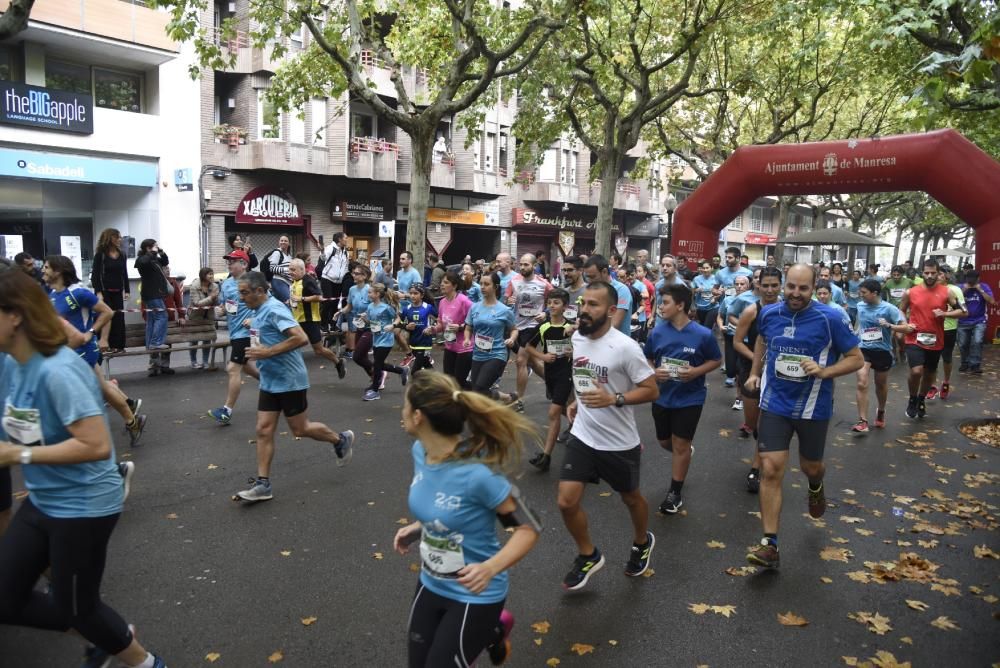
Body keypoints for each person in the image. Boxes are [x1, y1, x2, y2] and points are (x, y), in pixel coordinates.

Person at [0, 269, 167, 668]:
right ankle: (103, 634)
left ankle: (144, 661)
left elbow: (95, 444)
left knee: (77, 608)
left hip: (86, 504)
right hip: (45, 498)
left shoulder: (58, 370)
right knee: (6, 598)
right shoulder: (10, 364)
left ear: (15, 316)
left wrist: (16, 456)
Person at [393, 371, 540, 668]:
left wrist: (490, 567)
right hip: (431, 582)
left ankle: (490, 625)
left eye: (405, 406)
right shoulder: (420, 452)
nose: (402, 413)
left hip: (476, 594)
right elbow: (443, 503)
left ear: (419, 416)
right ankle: (494, 630)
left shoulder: (479, 475)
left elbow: (527, 528)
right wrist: (419, 527)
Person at [743, 264, 863, 570]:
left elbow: (855, 358)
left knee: (811, 467)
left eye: (803, 288)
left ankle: (816, 485)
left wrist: (825, 371)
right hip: (774, 404)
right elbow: (761, 341)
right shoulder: (769, 313)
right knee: (771, 469)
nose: (796, 294)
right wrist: (755, 373)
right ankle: (770, 544)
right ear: (784, 286)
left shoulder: (831, 318)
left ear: (814, 288)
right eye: (791, 287)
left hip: (813, 408)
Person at [558, 281, 658, 590]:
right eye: (583, 303)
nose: (584, 310)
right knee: (566, 501)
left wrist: (614, 399)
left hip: (618, 441)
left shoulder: (626, 347)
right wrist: (577, 399)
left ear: (611, 310)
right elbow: (586, 375)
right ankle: (588, 554)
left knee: (631, 498)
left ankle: (642, 541)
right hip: (584, 434)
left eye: (593, 305)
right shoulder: (577, 337)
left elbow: (651, 389)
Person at [234, 271, 355, 501]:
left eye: (244, 293)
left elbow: (300, 338)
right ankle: (263, 485)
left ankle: (340, 440)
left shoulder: (275, 309)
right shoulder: (258, 311)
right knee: (263, 429)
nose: (241, 298)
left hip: (290, 380)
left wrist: (266, 352)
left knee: (300, 429)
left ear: (259, 291)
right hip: (270, 380)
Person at [42, 255, 147, 448]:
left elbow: (107, 311)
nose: (43, 270)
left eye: (47, 267)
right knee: (102, 386)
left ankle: (128, 421)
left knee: (95, 390)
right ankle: (131, 413)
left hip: (83, 350)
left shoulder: (78, 292)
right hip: (67, 352)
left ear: (58, 271)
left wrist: (92, 333)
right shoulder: (51, 293)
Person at [644, 283, 721, 514]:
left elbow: (716, 360)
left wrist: (696, 372)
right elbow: (647, 358)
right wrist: (654, 372)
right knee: (664, 442)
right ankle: (685, 452)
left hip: (690, 398)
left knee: (680, 445)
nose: (661, 307)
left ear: (681, 305)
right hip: (662, 397)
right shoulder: (657, 332)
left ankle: (674, 493)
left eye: (665, 303)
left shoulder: (703, 334)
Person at [732, 267, 783, 492]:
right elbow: (737, 342)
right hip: (750, 370)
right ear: (758, 285)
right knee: (753, 423)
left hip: (778, 374)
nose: (770, 290)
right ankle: (761, 445)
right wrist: (757, 361)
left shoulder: (787, 310)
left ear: (781, 285)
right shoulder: (752, 311)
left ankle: (757, 466)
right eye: (766, 285)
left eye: (775, 285)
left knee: (765, 424)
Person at [898, 259, 965, 419]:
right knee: (916, 371)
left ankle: (921, 399)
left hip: (935, 339)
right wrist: (904, 324)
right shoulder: (911, 292)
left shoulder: (947, 292)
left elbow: (963, 312)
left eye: (933, 273)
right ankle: (912, 398)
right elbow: (901, 310)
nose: (929, 276)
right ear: (922, 272)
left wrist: (945, 313)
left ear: (938, 273)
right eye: (926, 273)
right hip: (914, 337)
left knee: (929, 373)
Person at [207, 250, 261, 425]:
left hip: (247, 333)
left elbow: (269, 304)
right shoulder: (227, 284)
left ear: (244, 264)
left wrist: (255, 319)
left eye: (233, 261)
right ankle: (276, 385)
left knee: (233, 369)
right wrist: (221, 310)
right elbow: (226, 305)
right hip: (235, 331)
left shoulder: (254, 282)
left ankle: (227, 411)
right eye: (228, 261)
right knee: (247, 368)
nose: (229, 264)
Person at [526, 288, 575, 472]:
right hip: (551, 374)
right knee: (562, 409)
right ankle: (582, 427)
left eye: (556, 303)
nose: (552, 306)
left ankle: (546, 456)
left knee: (554, 412)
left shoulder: (570, 328)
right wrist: (542, 357)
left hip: (567, 374)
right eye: (550, 303)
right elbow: (528, 346)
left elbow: (585, 349)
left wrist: (574, 352)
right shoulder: (544, 327)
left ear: (565, 307)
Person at [853, 279, 908, 433]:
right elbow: (859, 325)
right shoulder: (859, 305)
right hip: (864, 349)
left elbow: (906, 328)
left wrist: (889, 326)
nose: (860, 295)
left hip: (882, 351)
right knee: (862, 382)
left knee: (880, 385)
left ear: (875, 293)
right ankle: (862, 421)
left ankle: (881, 410)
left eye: (864, 293)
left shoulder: (889, 309)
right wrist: (854, 335)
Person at [504, 254, 551, 412]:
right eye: (521, 264)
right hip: (517, 326)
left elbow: (557, 300)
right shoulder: (514, 281)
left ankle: (519, 400)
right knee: (532, 362)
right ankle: (552, 384)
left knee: (521, 361)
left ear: (534, 265)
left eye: (526, 265)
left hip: (534, 326)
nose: (522, 267)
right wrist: (508, 300)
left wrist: (546, 312)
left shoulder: (543, 284)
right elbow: (506, 299)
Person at [464, 272, 518, 403]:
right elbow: (468, 327)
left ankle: (487, 418)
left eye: (486, 284)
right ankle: (506, 397)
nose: (482, 287)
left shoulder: (504, 310)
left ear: (495, 287)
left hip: (497, 354)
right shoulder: (474, 307)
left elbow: (514, 329)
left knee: (480, 387)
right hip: (478, 354)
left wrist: (511, 339)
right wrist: (467, 339)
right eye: (481, 283)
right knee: (477, 391)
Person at [288, 259, 347, 379]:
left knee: (319, 350)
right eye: (289, 269)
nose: (290, 272)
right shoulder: (294, 281)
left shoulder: (308, 281)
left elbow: (319, 297)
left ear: (301, 269)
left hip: (310, 321)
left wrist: (301, 299)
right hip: (297, 320)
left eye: (293, 269)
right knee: (291, 346)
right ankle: (292, 373)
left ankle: (338, 362)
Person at [925, 265, 966, 401]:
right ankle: (932, 385)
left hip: (948, 329)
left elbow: (964, 312)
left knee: (946, 358)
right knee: (930, 360)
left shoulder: (954, 290)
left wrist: (945, 314)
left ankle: (946, 382)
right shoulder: (927, 289)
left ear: (947, 276)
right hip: (930, 330)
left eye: (940, 274)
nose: (937, 277)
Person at [362, 282, 409, 401]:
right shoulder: (370, 306)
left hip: (386, 340)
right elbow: (370, 322)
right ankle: (401, 370)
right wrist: (364, 319)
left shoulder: (386, 308)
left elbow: (398, 318)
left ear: (377, 294)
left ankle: (375, 390)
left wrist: (392, 326)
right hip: (376, 339)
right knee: (380, 364)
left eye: (370, 292)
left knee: (377, 364)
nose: (368, 294)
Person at [91, 229, 131, 353]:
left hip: (117, 290)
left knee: (119, 316)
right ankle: (104, 344)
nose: (120, 239)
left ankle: (118, 346)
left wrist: (127, 290)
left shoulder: (122, 254)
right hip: (104, 291)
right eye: (117, 237)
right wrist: (98, 292)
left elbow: (124, 273)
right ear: (110, 238)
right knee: (107, 316)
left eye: (120, 237)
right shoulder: (100, 255)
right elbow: (95, 276)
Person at [433, 271, 473, 389]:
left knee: (458, 383)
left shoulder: (464, 301)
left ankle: (483, 393)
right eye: (441, 282)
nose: (442, 285)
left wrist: (460, 327)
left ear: (454, 286)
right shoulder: (442, 302)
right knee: (449, 382)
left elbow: (476, 322)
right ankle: (480, 393)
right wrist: (433, 329)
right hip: (450, 346)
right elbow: (441, 323)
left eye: (446, 282)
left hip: (464, 348)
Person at [145, 265, 185, 376]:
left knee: (167, 343)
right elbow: (145, 302)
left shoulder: (172, 283)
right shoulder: (151, 283)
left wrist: (181, 316)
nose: (168, 270)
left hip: (170, 319)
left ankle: (165, 366)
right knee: (155, 343)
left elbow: (178, 301)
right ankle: (154, 366)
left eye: (168, 268)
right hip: (155, 320)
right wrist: (147, 318)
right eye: (164, 268)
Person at [134, 239, 169, 361]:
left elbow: (165, 262)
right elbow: (142, 263)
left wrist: (161, 252)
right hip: (152, 293)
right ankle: (156, 343)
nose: (156, 248)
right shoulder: (142, 259)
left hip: (156, 292)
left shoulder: (155, 259)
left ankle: (150, 344)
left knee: (152, 318)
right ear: (148, 248)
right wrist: (150, 253)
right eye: (154, 246)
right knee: (162, 316)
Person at [582, 255, 632, 337]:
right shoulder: (592, 290)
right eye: (588, 277)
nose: (590, 281)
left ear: (604, 272)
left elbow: (614, 324)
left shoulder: (621, 290)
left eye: (593, 277)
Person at [957, 270, 994, 375]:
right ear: (966, 278)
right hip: (963, 321)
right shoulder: (960, 287)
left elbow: (991, 301)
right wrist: (965, 289)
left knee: (977, 342)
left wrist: (980, 290)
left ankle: (975, 365)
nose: (971, 281)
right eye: (969, 279)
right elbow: (954, 301)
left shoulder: (984, 286)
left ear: (978, 278)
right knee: (963, 344)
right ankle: (965, 362)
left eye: (974, 279)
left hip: (979, 320)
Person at [718, 275, 750, 391]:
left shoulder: (752, 301)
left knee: (740, 368)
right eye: (737, 284)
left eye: (742, 284)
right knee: (730, 369)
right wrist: (721, 326)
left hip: (746, 339)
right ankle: (733, 377)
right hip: (730, 336)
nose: (739, 287)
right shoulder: (728, 300)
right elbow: (720, 316)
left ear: (748, 286)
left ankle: (739, 396)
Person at [187, 267, 220, 369]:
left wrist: (215, 298)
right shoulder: (194, 287)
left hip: (209, 317)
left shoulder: (215, 286)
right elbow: (197, 303)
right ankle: (193, 361)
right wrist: (211, 297)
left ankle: (205, 362)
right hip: (195, 317)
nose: (211, 276)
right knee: (194, 340)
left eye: (212, 274)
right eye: (209, 274)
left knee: (207, 340)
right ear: (203, 275)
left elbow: (216, 302)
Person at [401, 283, 437, 375]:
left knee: (415, 372)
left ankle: (414, 388)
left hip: (425, 342)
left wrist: (432, 328)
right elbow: (400, 324)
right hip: (413, 343)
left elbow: (439, 319)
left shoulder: (428, 307)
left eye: (415, 293)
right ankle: (441, 384)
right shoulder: (406, 309)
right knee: (428, 366)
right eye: (411, 293)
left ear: (422, 295)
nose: (412, 296)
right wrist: (407, 326)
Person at [340, 264, 372, 367]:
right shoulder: (352, 289)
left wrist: (366, 314)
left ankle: (380, 373)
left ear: (364, 276)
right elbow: (349, 307)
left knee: (358, 356)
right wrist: (340, 312)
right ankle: (375, 375)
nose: (354, 275)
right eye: (353, 273)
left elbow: (376, 308)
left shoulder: (369, 290)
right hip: (359, 326)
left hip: (371, 327)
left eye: (357, 274)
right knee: (361, 357)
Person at [395, 251, 423, 364]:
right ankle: (409, 354)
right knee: (396, 332)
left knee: (416, 334)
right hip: (402, 307)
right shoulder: (399, 273)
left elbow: (419, 291)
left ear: (410, 260)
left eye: (403, 259)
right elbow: (401, 288)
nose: (400, 261)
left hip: (413, 307)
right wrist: (396, 294)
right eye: (400, 259)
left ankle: (425, 356)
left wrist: (405, 295)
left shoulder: (414, 273)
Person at [261, 235, 293, 304]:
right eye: (281, 240)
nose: (283, 242)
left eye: (285, 241)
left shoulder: (289, 256)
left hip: (288, 283)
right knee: (289, 302)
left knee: (278, 304)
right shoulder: (277, 253)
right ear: (279, 242)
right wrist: (287, 270)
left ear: (289, 243)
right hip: (279, 281)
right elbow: (272, 268)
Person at [692, 260, 721, 329]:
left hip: (713, 307)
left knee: (707, 327)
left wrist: (715, 298)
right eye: (703, 268)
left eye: (707, 268)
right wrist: (696, 290)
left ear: (712, 268)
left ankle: (707, 338)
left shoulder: (716, 279)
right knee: (702, 325)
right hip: (700, 307)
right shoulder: (696, 279)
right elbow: (691, 291)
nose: (705, 270)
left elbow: (720, 292)